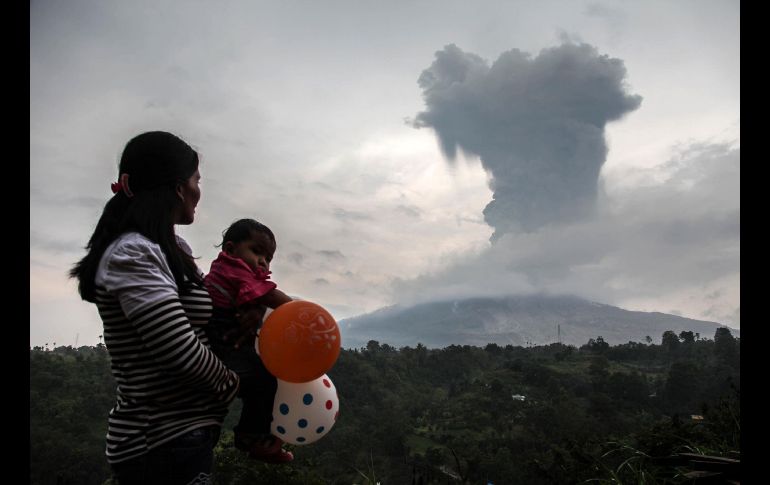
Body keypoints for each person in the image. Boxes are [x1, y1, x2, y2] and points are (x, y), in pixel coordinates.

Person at [70, 131, 240, 485]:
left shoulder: (169, 247)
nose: (199, 191)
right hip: (159, 444)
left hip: (184, 438)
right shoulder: (133, 252)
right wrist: (232, 383)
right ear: (178, 188)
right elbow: (177, 349)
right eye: (197, 180)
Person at [203, 218, 294, 463]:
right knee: (264, 380)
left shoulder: (226, 270)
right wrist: (301, 309)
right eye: (257, 251)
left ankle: (250, 435)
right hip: (225, 343)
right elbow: (271, 296)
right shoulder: (233, 269)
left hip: (225, 343)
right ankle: (253, 438)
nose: (263, 261)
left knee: (260, 384)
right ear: (231, 249)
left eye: (268, 258)